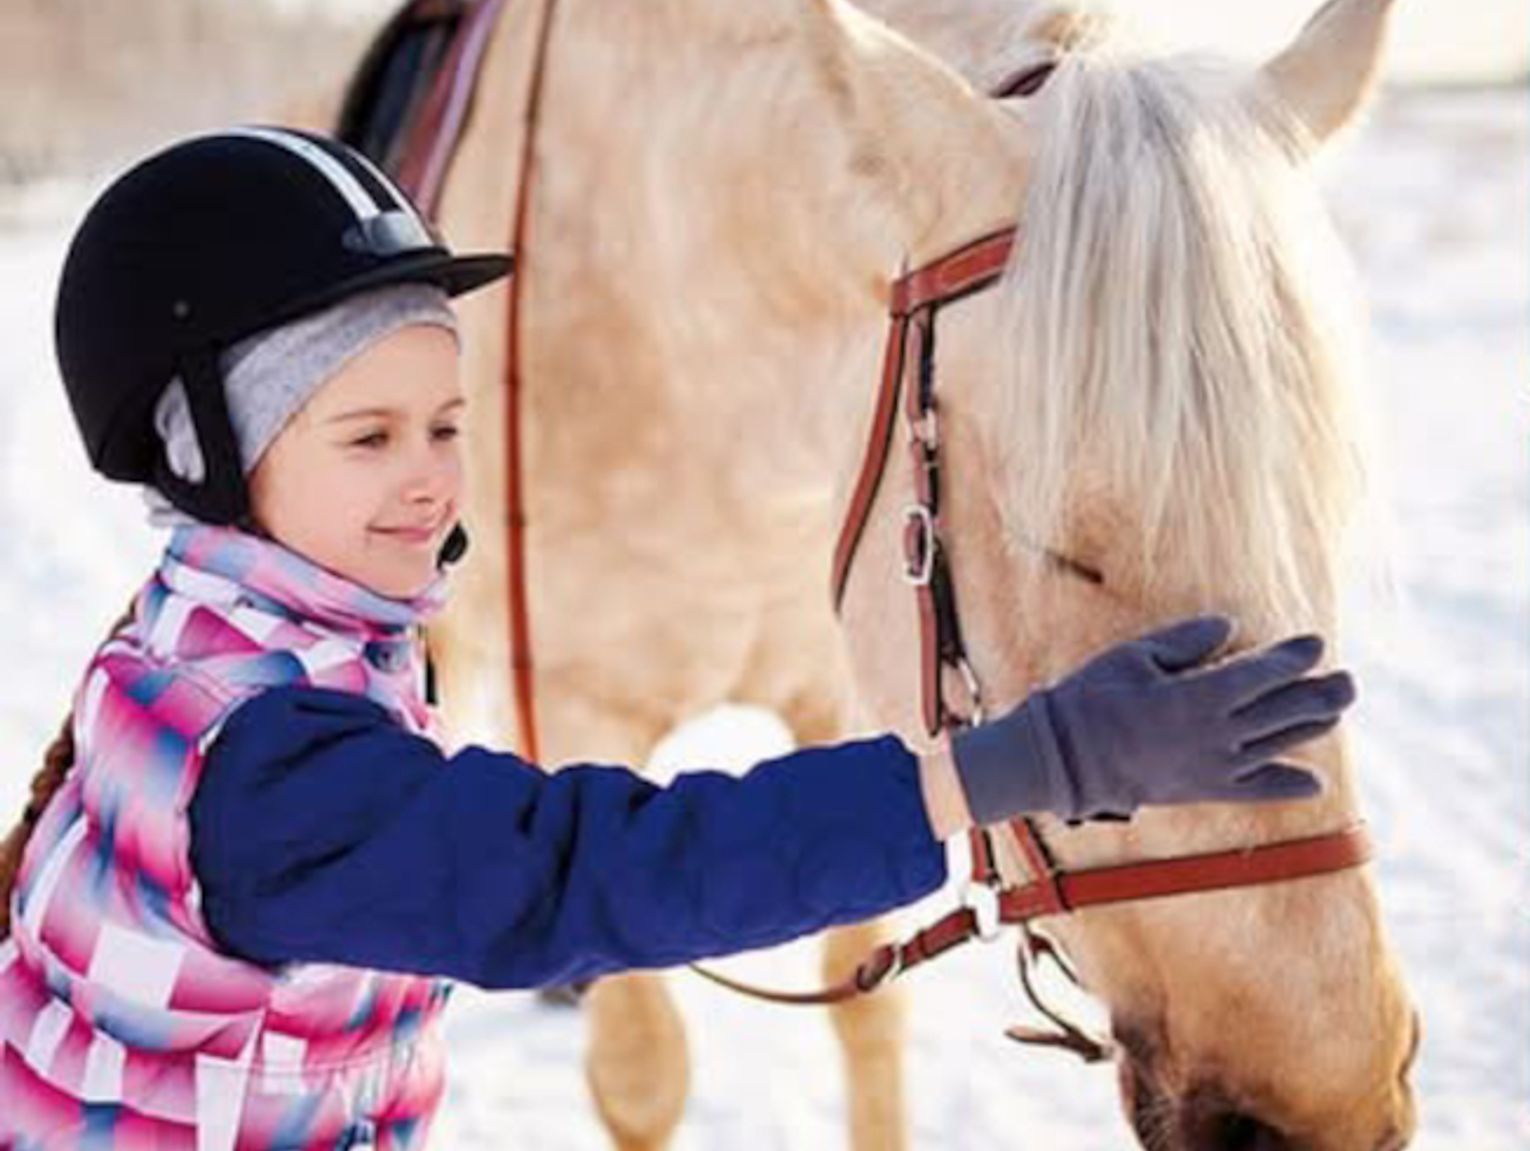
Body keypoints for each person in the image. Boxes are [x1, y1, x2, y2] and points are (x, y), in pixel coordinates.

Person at [0, 127, 1356, 1149]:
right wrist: (1009, 766)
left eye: (447, 425)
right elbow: (589, 872)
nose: (428, 478)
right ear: (202, 454)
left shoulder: (200, 628)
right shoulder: (276, 768)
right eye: (367, 437)